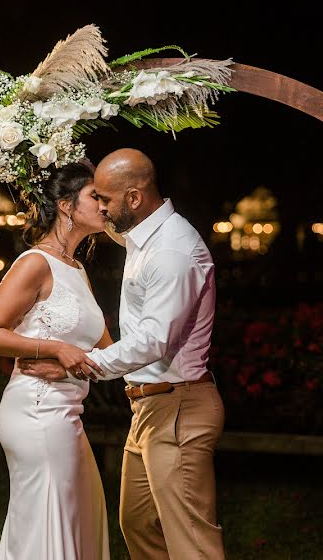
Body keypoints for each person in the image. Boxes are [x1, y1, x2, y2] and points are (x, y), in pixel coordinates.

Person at [46, 148, 226, 559]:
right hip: (149, 407)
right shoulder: (142, 233)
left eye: (105, 200)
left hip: (178, 405)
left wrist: (82, 363)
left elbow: (154, 340)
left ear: (134, 198)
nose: (100, 209)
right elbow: (99, 221)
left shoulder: (171, 251)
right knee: (139, 524)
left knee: (191, 541)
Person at [0, 160, 111, 560]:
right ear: (66, 205)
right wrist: (53, 349)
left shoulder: (78, 270)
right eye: (94, 197)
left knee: (76, 519)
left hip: (69, 412)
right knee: (48, 522)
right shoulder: (35, 262)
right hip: (35, 410)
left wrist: (72, 360)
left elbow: (105, 347)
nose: (104, 206)